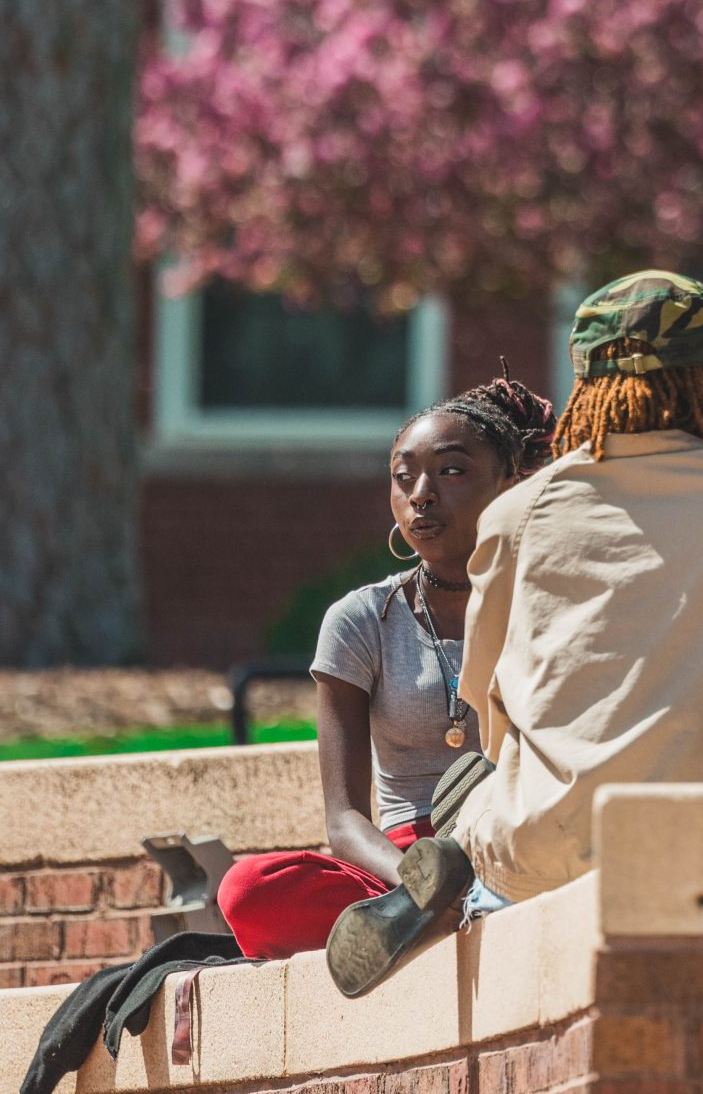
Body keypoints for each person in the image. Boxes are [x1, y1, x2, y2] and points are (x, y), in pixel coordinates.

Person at [325, 270, 703, 995]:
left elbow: (489, 713)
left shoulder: (521, 514)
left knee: (476, 793)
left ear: (587, 384)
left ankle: (444, 893)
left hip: (549, 853)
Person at [213, 374, 555, 960]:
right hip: (406, 867)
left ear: (511, 484)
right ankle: (435, 918)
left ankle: (430, 926)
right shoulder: (362, 619)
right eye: (404, 477)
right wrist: (421, 883)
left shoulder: (551, 604)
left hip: (516, 840)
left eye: (451, 472)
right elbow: (344, 820)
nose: (421, 493)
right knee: (250, 891)